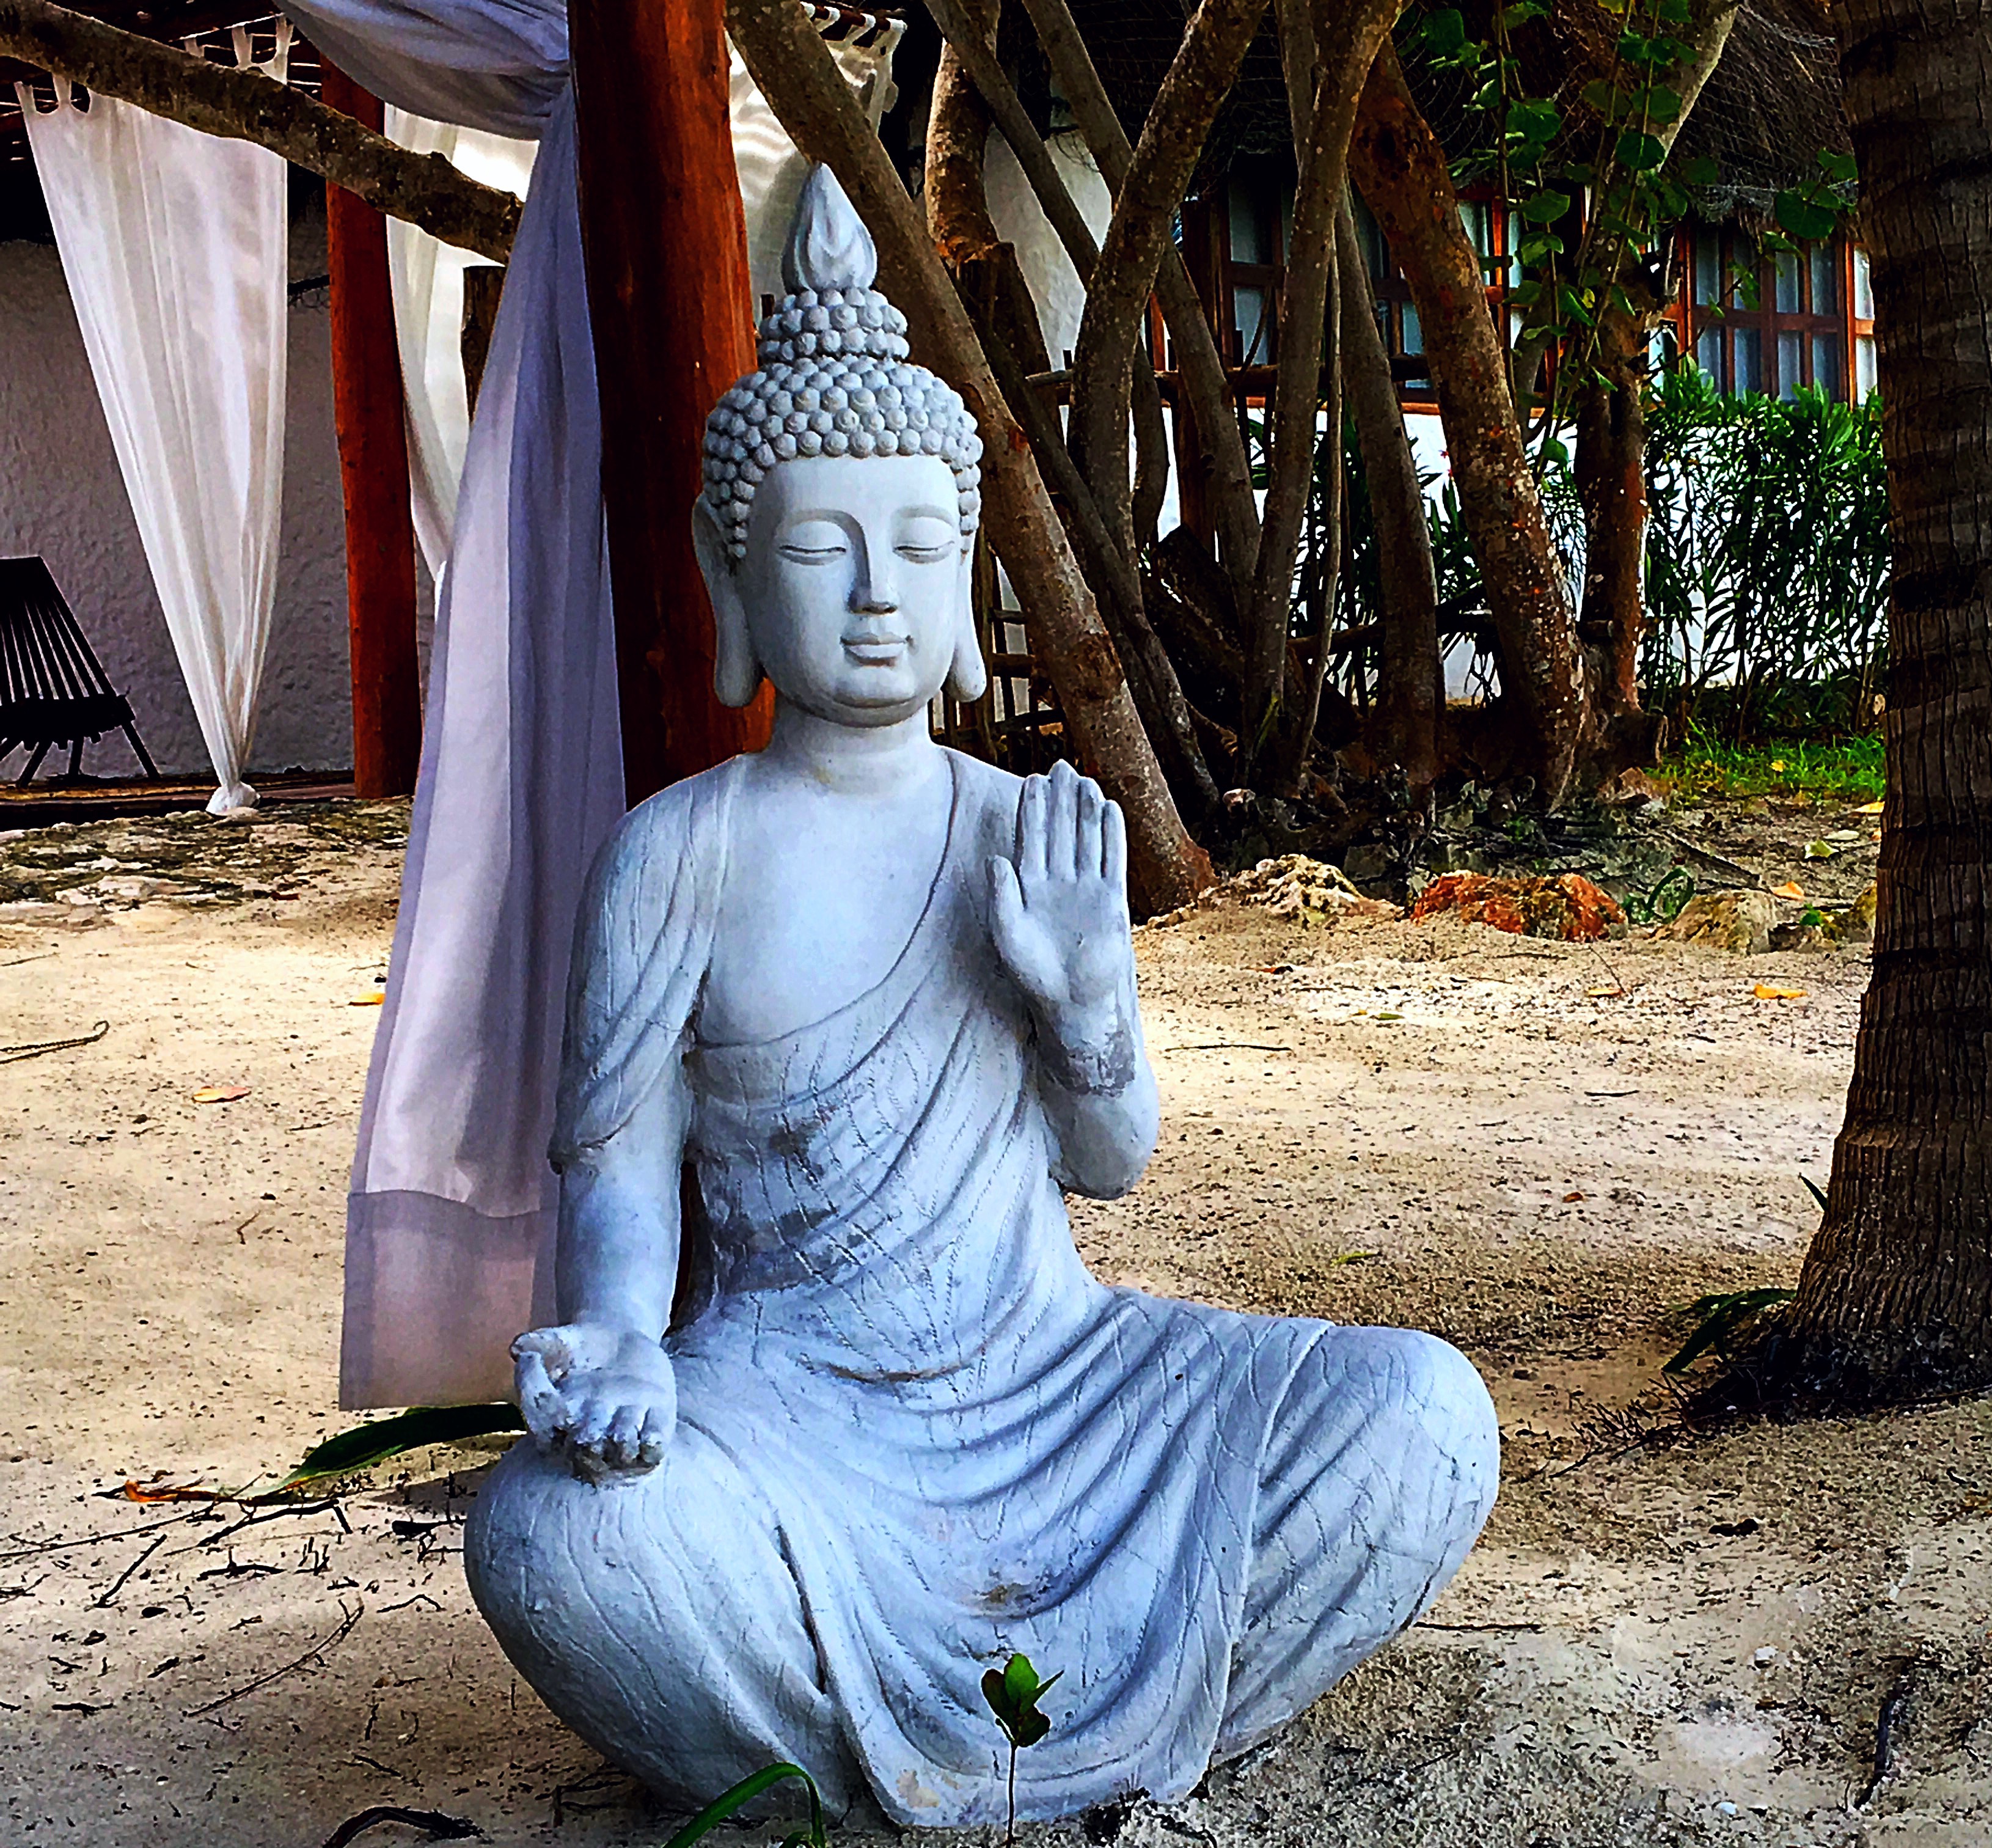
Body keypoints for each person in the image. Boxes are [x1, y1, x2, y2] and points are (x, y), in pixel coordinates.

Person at [462, 167, 1498, 1828]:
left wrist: (1089, 1000)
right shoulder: (677, 858)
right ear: (735, 583)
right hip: (787, 1409)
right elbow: (618, 1174)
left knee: (1424, 1418)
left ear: (969, 583)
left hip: (1065, 1381)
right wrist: (620, 1348)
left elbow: (1110, 1162)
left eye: (921, 545)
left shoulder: (1029, 824)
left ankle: (1054, 1730)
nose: (877, 589)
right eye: (822, 545)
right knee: (548, 1540)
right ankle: (973, 1742)